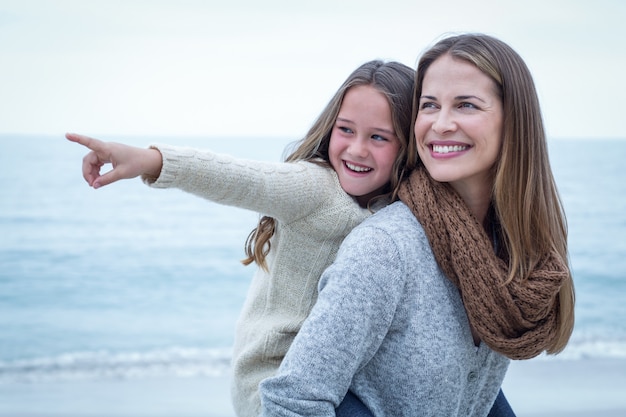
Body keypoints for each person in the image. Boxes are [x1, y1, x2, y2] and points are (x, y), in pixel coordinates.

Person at [66, 59, 416, 417]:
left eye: (378, 137)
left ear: (407, 144)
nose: (357, 149)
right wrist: (149, 160)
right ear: (330, 128)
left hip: (340, 375)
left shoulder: (401, 208)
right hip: (273, 379)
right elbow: (243, 179)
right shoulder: (316, 188)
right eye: (346, 130)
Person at [259, 33, 575, 416]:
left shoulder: (511, 250)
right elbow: (289, 404)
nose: (441, 124)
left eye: (466, 105)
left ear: (514, 121)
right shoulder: (386, 248)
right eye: (429, 105)